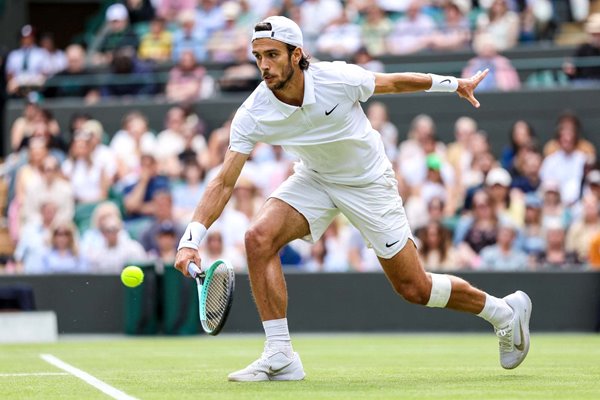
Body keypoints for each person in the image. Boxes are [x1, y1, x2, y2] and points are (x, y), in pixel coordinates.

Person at [174, 16, 532, 382]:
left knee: (414, 288)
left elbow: (393, 83)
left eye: (272, 55)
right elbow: (223, 181)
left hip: (368, 183)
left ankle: (504, 312)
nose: (264, 65)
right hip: (314, 178)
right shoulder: (252, 112)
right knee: (258, 238)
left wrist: (455, 84)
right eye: (257, 57)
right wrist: (191, 241)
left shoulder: (337, 78)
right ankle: (280, 354)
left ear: (297, 55)